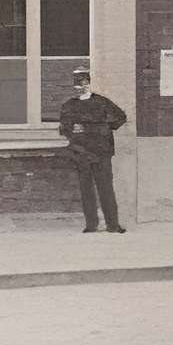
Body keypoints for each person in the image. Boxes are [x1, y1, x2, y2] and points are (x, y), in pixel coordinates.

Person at [57, 65, 127, 234]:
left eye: (83, 83)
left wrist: (104, 128)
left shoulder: (102, 102)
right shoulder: (68, 106)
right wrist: (76, 132)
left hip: (102, 152)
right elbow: (65, 128)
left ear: (89, 83)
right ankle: (91, 225)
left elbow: (120, 117)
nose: (80, 88)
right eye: (77, 85)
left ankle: (112, 225)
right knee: (86, 189)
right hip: (80, 152)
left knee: (106, 189)